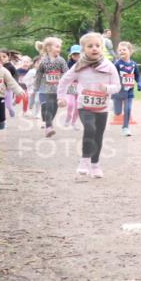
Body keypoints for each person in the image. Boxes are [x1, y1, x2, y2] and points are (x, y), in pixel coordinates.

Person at [57, 33, 120, 178]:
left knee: (98, 136)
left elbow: (117, 86)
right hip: (84, 105)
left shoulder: (109, 66)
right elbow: (64, 81)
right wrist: (61, 97)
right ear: (83, 49)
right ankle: (84, 161)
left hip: (102, 106)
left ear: (102, 48)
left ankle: (95, 165)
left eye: (97, 46)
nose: (94, 48)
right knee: (90, 128)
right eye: (90, 46)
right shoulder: (79, 66)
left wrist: (107, 89)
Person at [33, 37, 67, 137]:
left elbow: (67, 73)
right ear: (48, 48)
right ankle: (49, 127)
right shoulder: (43, 61)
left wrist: (68, 88)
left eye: (60, 47)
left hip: (58, 89)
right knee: (49, 106)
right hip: (47, 88)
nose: (59, 49)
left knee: (54, 108)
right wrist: (36, 87)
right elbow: (39, 75)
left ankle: (49, 122)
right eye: (57, 46)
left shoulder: (61, 60)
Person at [113, 41, 141, 136]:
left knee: (128, 109)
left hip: (129, 92)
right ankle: (115, 108)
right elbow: (112, 75)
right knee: (117, 112)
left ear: (130, 51)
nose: (121, 51)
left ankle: (125, 128)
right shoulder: (117, 64)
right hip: (118, 92)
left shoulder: (134, 64)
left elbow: (137, 76)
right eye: (119, 50)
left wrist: (140, 83)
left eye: (124, 50)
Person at [63, 45, 82, 129]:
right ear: (71, 55)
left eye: (78, 54)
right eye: (74, 54)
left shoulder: (86, 63)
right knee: (70, 104)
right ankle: (68, 117)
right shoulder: (68, 64)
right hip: (72, 86)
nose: (76, 56)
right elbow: (65, 75)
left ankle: (74, 122)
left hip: (81, 86)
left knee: (78, 105)